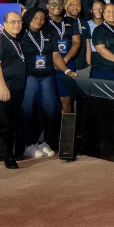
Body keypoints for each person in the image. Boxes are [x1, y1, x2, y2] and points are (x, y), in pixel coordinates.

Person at [19, 8, 71, 158]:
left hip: (47, 76)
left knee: (49, 109)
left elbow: (56, 56)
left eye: (42, 18)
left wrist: (67, 71)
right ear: (29, 18)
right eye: (35, 17)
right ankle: (29, 144)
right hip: (30, 76)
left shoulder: (48, 34)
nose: (39, 21)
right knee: (28, 110)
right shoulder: (21, 35)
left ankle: (43, 141)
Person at [0, 11, 27, 169]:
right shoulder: (0, 41)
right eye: (13, 22)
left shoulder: (15, 40)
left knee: (11, 123)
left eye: (19, 21)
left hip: (16, 89)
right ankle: (7, 157)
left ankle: (6, 152)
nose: (17, 24)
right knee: (2, 124)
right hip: (4, 88)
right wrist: (3, 87)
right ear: (4, 24)